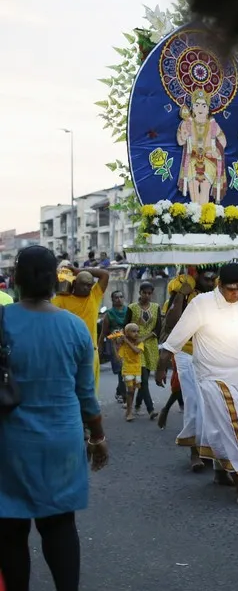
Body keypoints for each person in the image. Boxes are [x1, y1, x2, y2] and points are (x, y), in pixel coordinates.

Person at [0, 246, 108, 591]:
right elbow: (86, 396)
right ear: (54, 282)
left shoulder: (3, 321)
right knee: (60, 526)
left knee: (11, 530)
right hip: (61, 442)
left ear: (15, 279)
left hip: (9, 443)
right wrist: (99, 438)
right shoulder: (75, 327)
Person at [158, 262, 238, 505]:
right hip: (213, 377)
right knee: (233, 426)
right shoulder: (202, 303)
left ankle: (219, 470)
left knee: (228, 426)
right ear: (220, 285)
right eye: (230, 289)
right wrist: (161, 365)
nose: (235, 293)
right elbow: (177, 336)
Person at [158, 268, 217, 469]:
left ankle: (209, 449)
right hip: (187, 352)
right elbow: (172, 324)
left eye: (213, 277)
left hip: (212, 354)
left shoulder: (218, 295)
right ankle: (194, 453)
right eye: (206, 277)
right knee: (193, 404)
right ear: (196, 277)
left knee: (212, 405)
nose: (210, 281)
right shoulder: (184, 294)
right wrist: (182, 294)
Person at [52, 264, 110, 395]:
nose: (87, 288)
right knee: (69, 391)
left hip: (90, 351)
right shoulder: (62, 299)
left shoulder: (94, 296)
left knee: (89, 393)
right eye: (83, 284)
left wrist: (80, 271)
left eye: (89, 285)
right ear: (74, 283)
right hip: (68, 352)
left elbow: (104, 274)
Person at [124, 282, 161, 421]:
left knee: (143, 378)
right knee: (144, 379)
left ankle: (138, 404)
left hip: (150, 346)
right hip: (135, 347)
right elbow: (125, 326)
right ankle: (150, 409)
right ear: (139, 292)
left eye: (149, 293)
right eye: (144, 292)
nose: (146, 295)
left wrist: (145, 338)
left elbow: (158, 329)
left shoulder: (156, 307)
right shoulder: (132, 308)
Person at [100, 290, 128, 405]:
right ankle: (123, 395)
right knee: (120, 369)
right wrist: (100, 346)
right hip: (115, 345)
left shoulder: (129, 311)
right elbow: (104, 332)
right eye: (116, 297)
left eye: (121, 296)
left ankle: (119, 391)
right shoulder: (109, 314)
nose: (119, 299)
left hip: (127, 343)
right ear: (112, 300)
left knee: (126, 369)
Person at [118, 323, 145, 422]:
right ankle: (129, 412)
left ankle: (129, 411)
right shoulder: (123, 344)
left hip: (137, 370)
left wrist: (126, 341)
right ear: (127, 333)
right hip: (127, 370)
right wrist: (115, 344)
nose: (136, 333)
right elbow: (118, 357)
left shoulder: (140, 343)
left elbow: (136, 351)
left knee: (133, 391)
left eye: (138, 331)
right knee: (130, 391)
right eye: (133, 331)